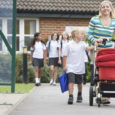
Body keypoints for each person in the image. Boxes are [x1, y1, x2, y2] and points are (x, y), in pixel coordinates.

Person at [88, 0, 115, 104]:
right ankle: (99, 91)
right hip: (96, 49)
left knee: (109, 70)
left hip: (108, 50)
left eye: (107, 7)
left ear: (111, 8)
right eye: (103, 7)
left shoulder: (114, 21)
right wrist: (95, 41)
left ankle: (106, 95)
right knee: (99, 71)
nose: (105, 9)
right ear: (100, 9)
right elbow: (89, 34)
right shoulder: (94, 19)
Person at [63, 28, 94, 104]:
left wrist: (95, 45)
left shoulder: (83, 43)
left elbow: (88, 48)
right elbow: (65, 56)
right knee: (71, 81)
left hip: (80, 67)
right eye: (81, 34)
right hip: (70, 67)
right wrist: (64, 66)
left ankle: (79, 94)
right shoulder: (68, 44)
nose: (83, 35)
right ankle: (70, 96)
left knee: (79, 83)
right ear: (76, 35)